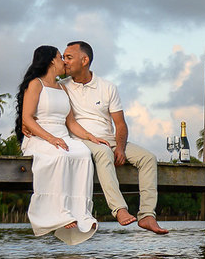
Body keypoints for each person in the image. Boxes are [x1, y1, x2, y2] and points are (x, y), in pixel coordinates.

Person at [61, 40, 168, 234]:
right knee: (103, 153)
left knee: (148, 158)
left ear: (84, 60)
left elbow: (120, 124)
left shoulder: (107, 87)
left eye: (69, 57)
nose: (64, 62)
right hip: (82, 140)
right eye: (63, 57)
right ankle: (119, 209)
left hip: (108, 139)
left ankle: (147, 215)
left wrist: (120, 147)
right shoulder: (62, 87)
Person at [15, 45, 98, 245]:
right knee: (60, 155)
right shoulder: (36, 84)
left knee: (83, 154)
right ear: (52, 60)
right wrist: (51, 139)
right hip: (40, 137)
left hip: (62, 137)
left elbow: (71, 123)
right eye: (61, 57)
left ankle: (81, 213)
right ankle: (58, 212)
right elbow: (27, 118)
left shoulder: (62, 88)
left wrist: (90, 137)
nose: (64, 62)